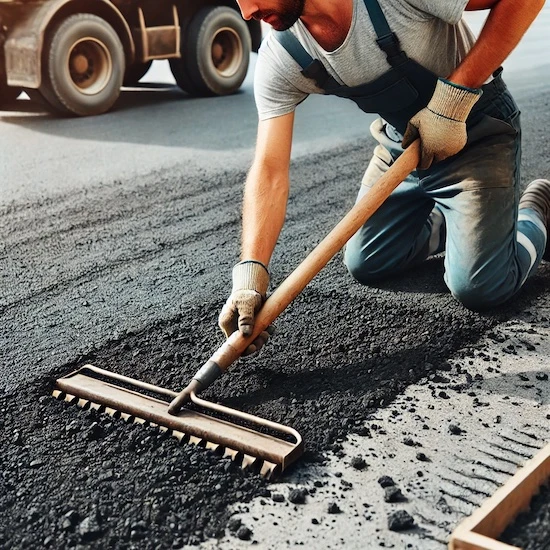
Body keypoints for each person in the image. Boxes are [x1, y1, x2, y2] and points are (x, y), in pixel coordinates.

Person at [218, 0, 548, 355]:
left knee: (480, 287)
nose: (246, 12)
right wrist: (251, 272)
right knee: (368, 261)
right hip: (401, 145)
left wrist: (455, 95)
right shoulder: (283, 53)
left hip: (474, 131)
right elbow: (269, 170)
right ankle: (456, 222)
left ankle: (536, 209)